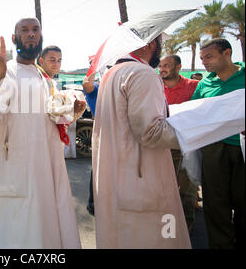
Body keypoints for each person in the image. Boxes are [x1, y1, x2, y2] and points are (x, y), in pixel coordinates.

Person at [0, 17, 86, 248]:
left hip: (48, 172)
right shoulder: (7, 72)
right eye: (24, 30)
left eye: (35, 29)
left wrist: (72, 111)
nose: (31, 34)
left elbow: (46, 118)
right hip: (19, 176)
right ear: (14, 39)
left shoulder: (42, 77)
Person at [91, 35, 191, 248]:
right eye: (160, 44)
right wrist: (197, 129)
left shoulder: (110, 73)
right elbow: (151, 132)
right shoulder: (143, 73)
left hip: (117, 178)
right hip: (143, 179)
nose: (161, 50)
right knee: (159, 236)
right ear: (150, 44)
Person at [191, 38, 245, 249]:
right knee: (215, 205)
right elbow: (194, 112)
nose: (204, 62)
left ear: (227, 53)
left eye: (209, 57)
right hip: (213, 148)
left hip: (241, 148)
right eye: (202, 58)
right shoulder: (204, 84)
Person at [158, 54, 199, 231]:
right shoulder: (155, 87)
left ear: (178, 67)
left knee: (187, 191)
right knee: (165, 190)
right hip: (163, 147)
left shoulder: (194, 86)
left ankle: (185, 232)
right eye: (160, 66)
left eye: (167, 65)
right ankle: (168, 231)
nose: (162, 69)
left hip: (189, 147)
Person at [81, 72, 99, 216]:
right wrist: (94, 69)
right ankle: (93, 204)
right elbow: (87, 85)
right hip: (104, 137)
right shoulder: (97, 89)